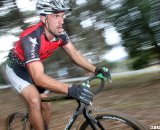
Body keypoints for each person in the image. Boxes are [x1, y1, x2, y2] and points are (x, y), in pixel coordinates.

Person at [5, 0, 110, 130]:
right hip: (16, 69)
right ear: (44, 18)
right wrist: (70, 89)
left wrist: (96, 69)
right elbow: (38, 77)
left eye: (62, 15)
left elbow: (75, 55)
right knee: (34, 100)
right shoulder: (30, 38)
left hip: (33, 67)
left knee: (46, 104)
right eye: (55, 16)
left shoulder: (61, 34)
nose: (61, 21)